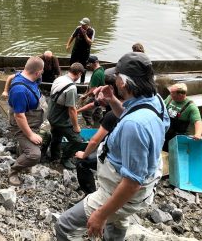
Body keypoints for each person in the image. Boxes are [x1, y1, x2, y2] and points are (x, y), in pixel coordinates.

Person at [55, 52, 170, 241]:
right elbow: (130, 114)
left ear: (123, 83)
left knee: (64, 226)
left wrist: (101, 214)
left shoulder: (135, 125)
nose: (114, 81)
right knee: (117, 223)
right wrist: (113, 101)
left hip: (119, 192)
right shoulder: (154, 101)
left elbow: (132, 182)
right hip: (141, 187)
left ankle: (107, 216)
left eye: (116, 77)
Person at [8, 56, 44, 186]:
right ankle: (13, 171)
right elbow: (19, 116)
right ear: (38, 72)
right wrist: (30, 135)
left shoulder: (27, 75)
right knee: (35, 154)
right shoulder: (20, 90)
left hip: (33, 119)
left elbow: (10, 77)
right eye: (42, 71)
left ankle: (23, 157)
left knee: (34, 143)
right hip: (21, 122)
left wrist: (6, 91)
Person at [47, 62, 85, 170]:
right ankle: (65, 159)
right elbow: (72, 110)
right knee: (76, 140)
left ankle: (54, 156)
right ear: (79, 74)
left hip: (51, 113)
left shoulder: (60, 78)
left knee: (56, 134)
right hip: (59, 117)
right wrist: (76, 126)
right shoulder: (72, 88)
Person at [75, 110, 117, 195]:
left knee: (82, 163)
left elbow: (94, 141)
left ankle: (89, 195)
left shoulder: (112, 114)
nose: (99, 97)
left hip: (114, 158)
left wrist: (84, 154)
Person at [164, 82, 202, 152]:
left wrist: (198, 134)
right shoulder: (169, 98)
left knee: (174, 152)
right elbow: (161, 107)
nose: (170, 94)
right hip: (165, 131)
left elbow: (198, 122)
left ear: (180, 94)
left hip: (178, 135)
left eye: (172, 92)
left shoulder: (191, 107)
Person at [66, 17, 95, 83]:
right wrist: (68, 45)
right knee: (72, 64)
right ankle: (69, 79)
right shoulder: (78, 28)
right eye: (82, 24)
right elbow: (72, 36)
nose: (82, 25)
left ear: (88, 24)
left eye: (84, 24)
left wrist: (85, 34)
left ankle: (82, 82)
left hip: (85, 52)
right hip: (76, 50)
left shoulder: (91, 31)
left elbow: (90, 42)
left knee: (83, 66)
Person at [78, 55, 105, 126]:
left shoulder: (96, 74)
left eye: (89, 63)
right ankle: (99, 125)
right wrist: (90, 83)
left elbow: (93, 89)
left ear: (94, 63)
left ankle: (89, 125)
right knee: (97, 112)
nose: (88, 65)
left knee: (85, 111)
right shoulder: (101, 69)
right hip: (100, 95)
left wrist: (85, 96)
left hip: (95, 95)